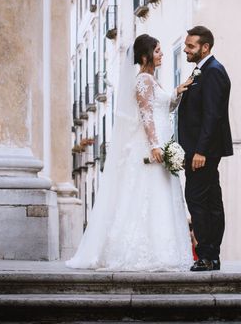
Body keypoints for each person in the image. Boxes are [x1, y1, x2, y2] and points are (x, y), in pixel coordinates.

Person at [66, 34, 193, 271]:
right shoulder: (144, 80)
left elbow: (165, 106)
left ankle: (164, 251)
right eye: (157, 51)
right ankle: (143, 252)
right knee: (146, 194)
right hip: (149, 148)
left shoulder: (153, 81)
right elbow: (146, 115)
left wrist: (178, 91)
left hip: (161, 144)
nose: (162, 54)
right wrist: (155, 146)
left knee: (161, 195)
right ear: (145, 56)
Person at [178, 26, 233, 272]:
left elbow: (212, 115)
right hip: (202, 149)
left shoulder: (213, 72)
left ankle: (207, 255)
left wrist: (200, 151)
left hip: (203, 152)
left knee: (198, 200)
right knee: (210, 201)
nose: (186, 49)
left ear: (205, 47)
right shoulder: (204, 71)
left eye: (190, 46)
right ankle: (211, 256)